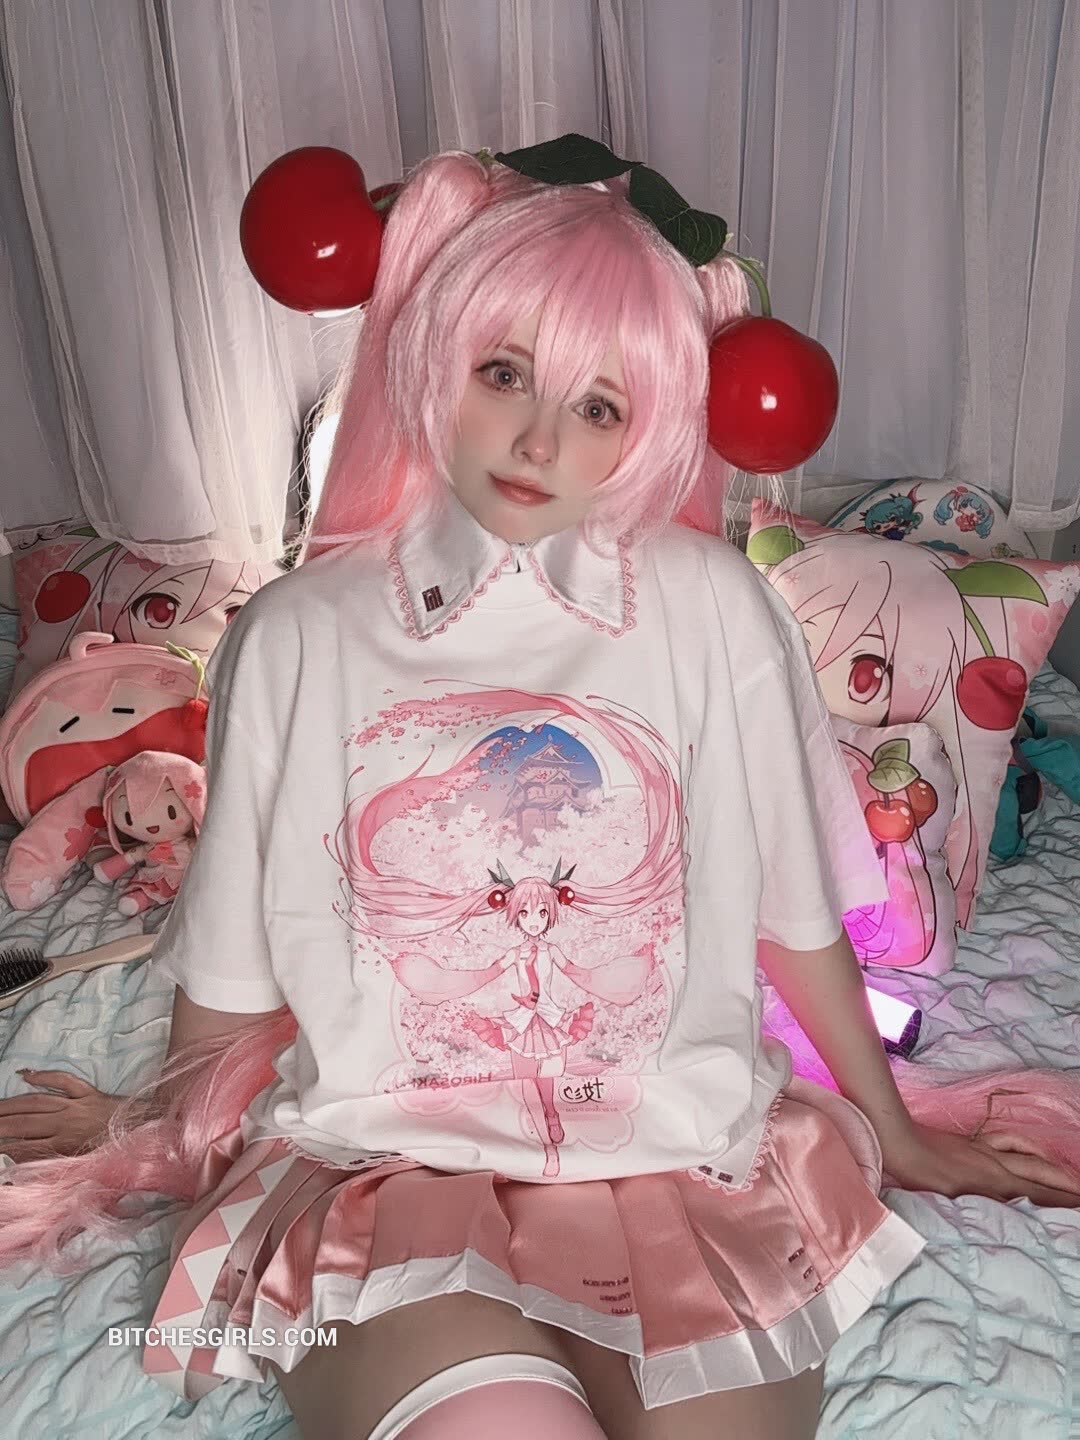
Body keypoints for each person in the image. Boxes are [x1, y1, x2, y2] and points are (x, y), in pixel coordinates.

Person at [2, 143, 1079, 1440]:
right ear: (433, 358)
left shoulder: (717, 612)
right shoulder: (293, 635)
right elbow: (230, 969)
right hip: (383, 1171)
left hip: (683, 1165)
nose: (537, 440)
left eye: (600, 405)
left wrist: (894, 1129)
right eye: (504, 373)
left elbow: (795, 915)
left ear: (653, 424)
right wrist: (160, 1132)